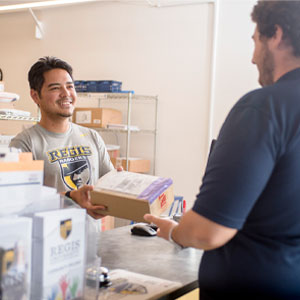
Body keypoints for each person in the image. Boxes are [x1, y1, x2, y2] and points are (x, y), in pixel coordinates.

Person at [145, 1, 300, 299]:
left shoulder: (264, 107)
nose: (253, 58)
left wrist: (174, 231)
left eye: (255, 41)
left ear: (277, 34)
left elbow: (208, 231)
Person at [9, 56, 113, 219]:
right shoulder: (24, 143)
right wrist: (70, 197)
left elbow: (109, 187)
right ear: (35, 96)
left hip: (92, 238)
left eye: (70, 87)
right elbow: (19, 202)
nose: (66, 94)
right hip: (50, 240)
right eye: (55, 88)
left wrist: (123, 183)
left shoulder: (92, 136)